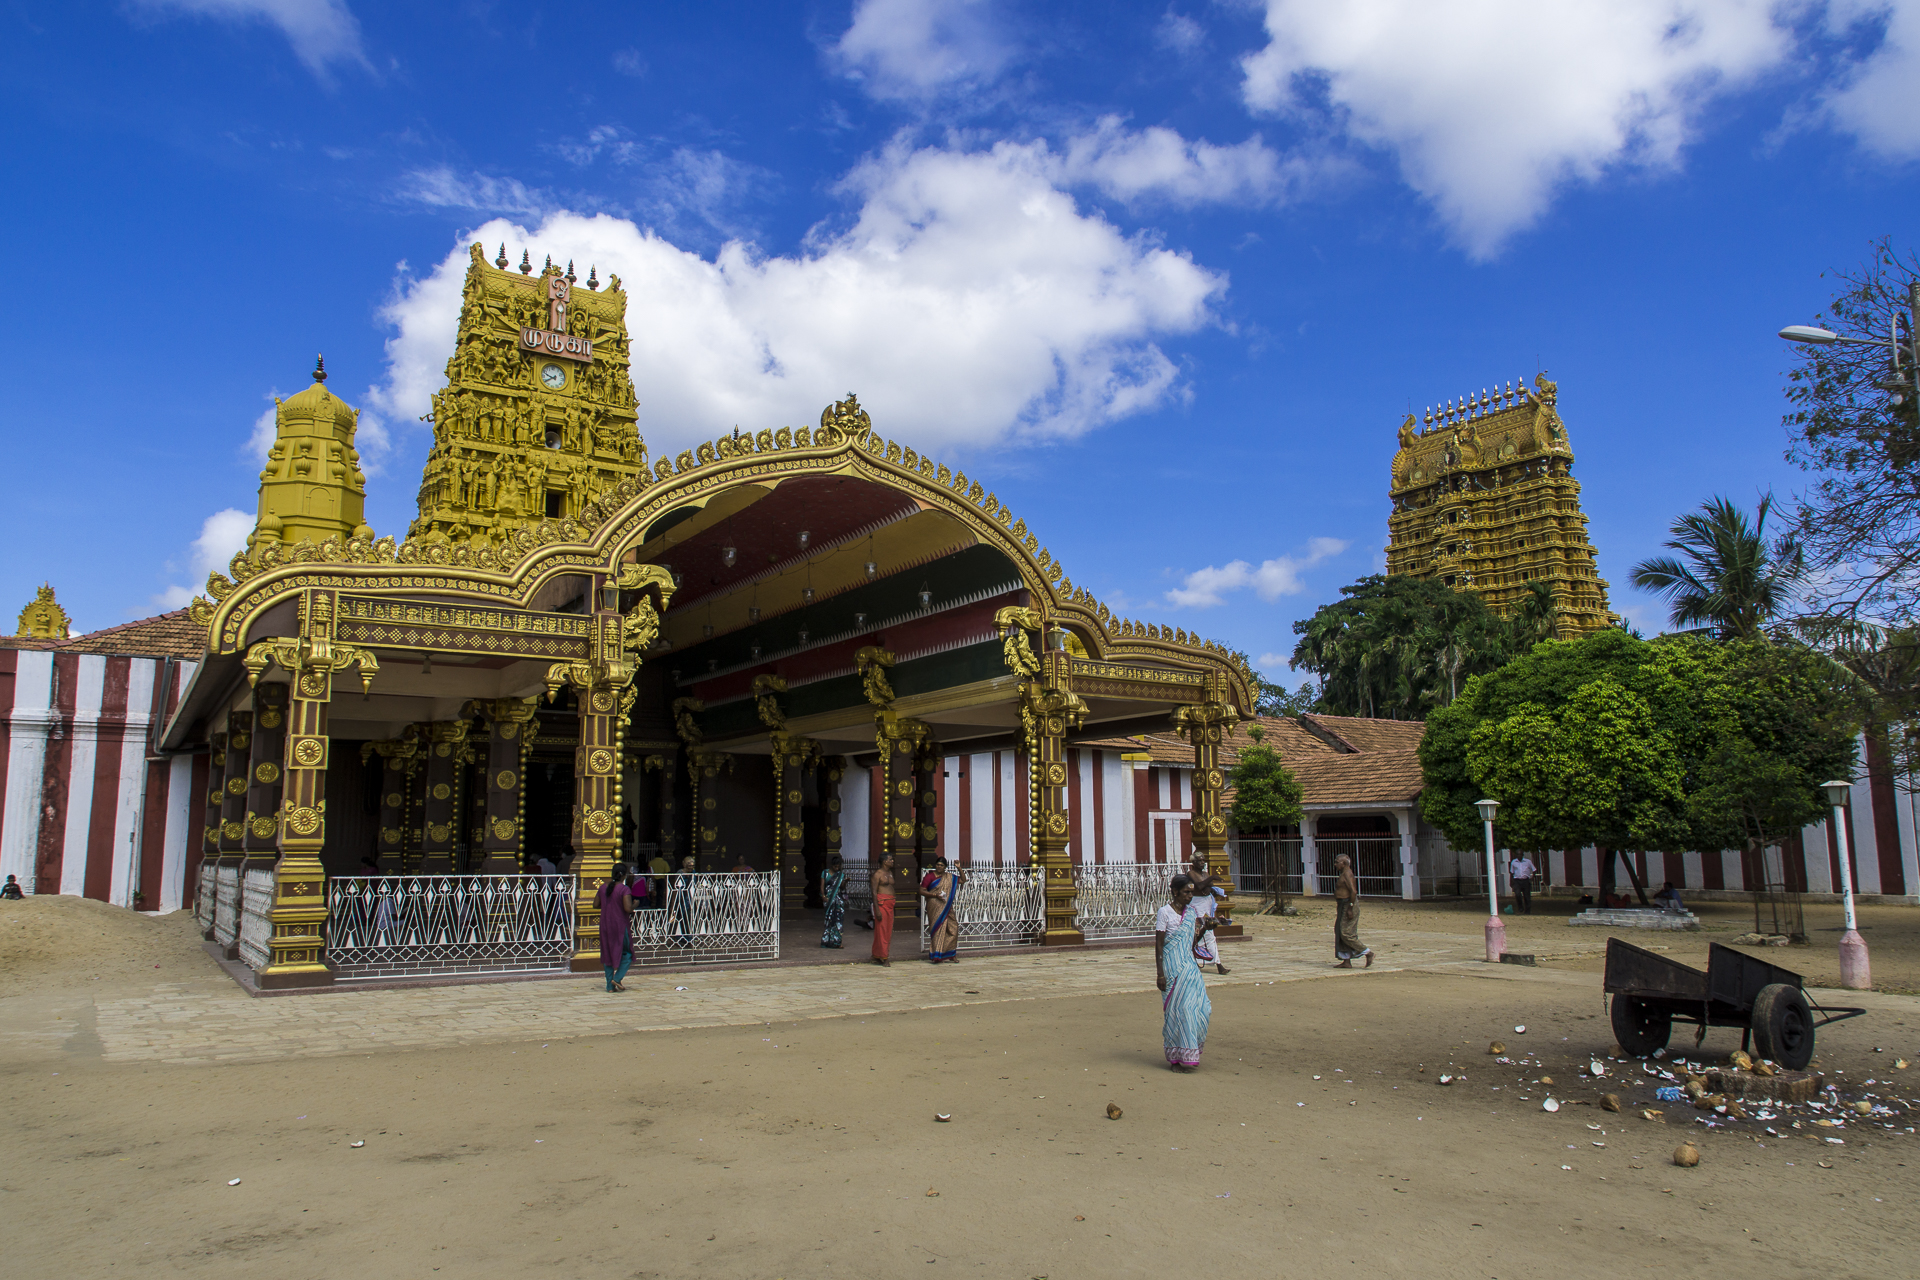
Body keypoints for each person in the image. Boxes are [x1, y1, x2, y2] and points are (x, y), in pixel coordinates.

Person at [1155, 874, 1213, 1072]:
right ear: (1175, 892)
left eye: (1191, 892)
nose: (1190, 896)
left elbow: (1192, 942)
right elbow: (1159, 945)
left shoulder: (1191, 913)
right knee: (1181, 1012)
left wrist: (1206, 928)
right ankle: (1178, 1057)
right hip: (1172, 969)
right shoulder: (1164, 913)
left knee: (1203, 1009)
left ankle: (1191, 1049)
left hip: (1189, 968)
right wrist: (1160, 974)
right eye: (1186, 892)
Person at [1186, 852, 1230, 975]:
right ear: (1193, 863)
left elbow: (1208, 887)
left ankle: (1212, 962)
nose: (1202, 862)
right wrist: (1212, 878)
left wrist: (1210, 887)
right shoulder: (1191, 873)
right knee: (1203, 933)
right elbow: (1199, 885)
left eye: (1203, 860)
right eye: (1199, 860)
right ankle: (1218, 964)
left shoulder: (1205, 874)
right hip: (1196, 905)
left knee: (1208, 932)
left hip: (1207, 904)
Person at [594, 863, 636, 993]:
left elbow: (595, 905)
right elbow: (628, 908)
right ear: (624, 875)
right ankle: (617, 978)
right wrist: (636, 903)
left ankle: (609, 986)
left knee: (607, 953)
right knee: (627, 954)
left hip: (605, 925)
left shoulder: (603, 888)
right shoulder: (624, 890)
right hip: (619, 925)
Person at [919, 857, 966, 963]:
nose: (939, 867)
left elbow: (963, 880)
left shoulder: (949, 877)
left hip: (947, 906)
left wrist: (959, 868)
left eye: (942, 865)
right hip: (934, 905)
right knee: (938, 929)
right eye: (938, 865)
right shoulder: (930, 877)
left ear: (945, 867)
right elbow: (921, 890)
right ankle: (936, 955)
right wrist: (935, 895)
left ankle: (951, 953)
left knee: (953, 928)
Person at [1332, 852, 1373, 968]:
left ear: (1343, 863)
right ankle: (1346, 960)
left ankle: (1367, 952)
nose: (1335, 864)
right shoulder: (1343, 873)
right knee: (1340, 931)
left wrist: (1350, 907)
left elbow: (1353, 892)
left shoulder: (1347, 874)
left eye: (1337, 862)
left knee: (1346, 933)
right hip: (1342, 905)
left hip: (1348, 905)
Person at [871, 853, 897, 967]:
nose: (892, 861)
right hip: (882, 904)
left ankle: (876, 954)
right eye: (890, 859)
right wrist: (877, 909)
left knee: (888, 930)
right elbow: (874, 892)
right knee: (882, 931)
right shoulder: (877, 874)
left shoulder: (890, 873)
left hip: (890, 904)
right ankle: (884, 956)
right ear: (884, 861)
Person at [668, 855, 697, 949]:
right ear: (684, 864)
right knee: (677, 918)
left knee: (688, 919)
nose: (690, 866)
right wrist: (673, 903)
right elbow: (676, 888)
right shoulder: (680, 873)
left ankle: (688, 938)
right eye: (688, 863)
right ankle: (676, 938)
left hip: (689, 899)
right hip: (679, 898)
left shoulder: (693, 873)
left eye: (691, 864)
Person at [820, 854, 848, 949]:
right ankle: (827, 941)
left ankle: (837, 942)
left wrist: (845, 882)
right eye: (835, 866)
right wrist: (823, 896)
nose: (837, 868)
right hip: (828, 899)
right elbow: (822, 886)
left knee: (838, 920)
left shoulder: (840, 875)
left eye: (838, 866)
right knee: (829, 920)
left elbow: (842, 887)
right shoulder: (825, 873)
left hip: (838, 900)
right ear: (831, 865)